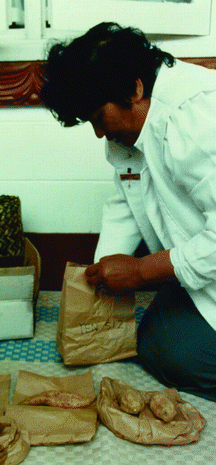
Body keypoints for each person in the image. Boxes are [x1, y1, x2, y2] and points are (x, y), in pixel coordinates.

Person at [40, 22, 216, 402]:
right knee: (153, 335)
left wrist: (139, 270)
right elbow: (127, 196)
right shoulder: (134, 124)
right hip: (204, 263)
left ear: (135, 89)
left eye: (98, 119)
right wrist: (102, 274)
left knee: (178, 353)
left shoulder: (197, 119)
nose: (98, 135)